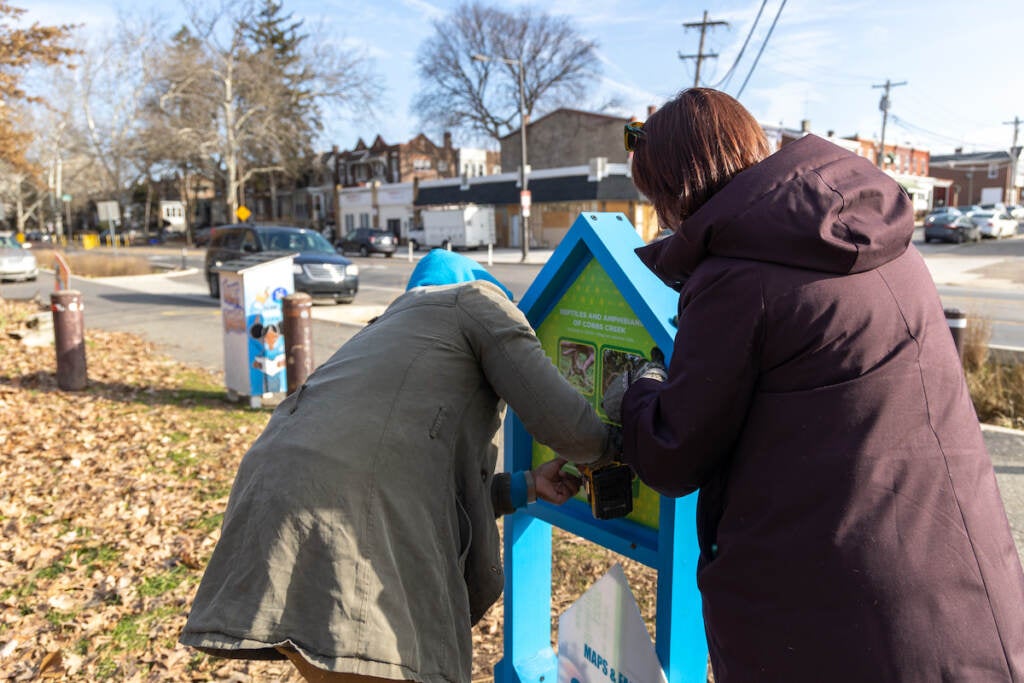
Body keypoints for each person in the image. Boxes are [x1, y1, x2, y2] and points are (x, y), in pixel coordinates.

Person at [603, 88, 1024, 681]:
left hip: (831, 622)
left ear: (677, 187)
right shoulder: (888, 237)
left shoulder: (739, 276)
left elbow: (673, 451)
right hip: (964, 586)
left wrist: (641, 390)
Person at [180, 249, 619, 683]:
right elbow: (563, 421)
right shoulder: (476, 302)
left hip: (268, 516)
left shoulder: (385, 333)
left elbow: (405, 477)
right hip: (344, 530)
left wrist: (523, 487)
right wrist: (619, 451)